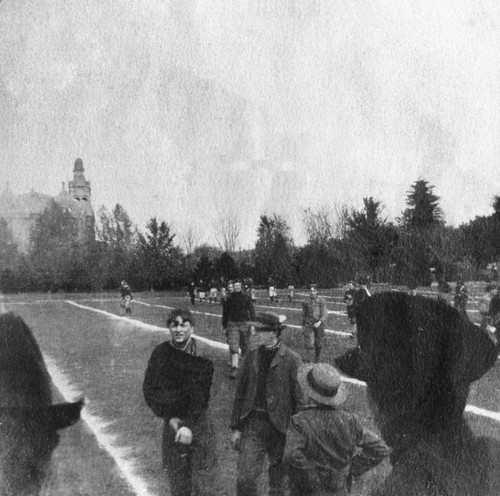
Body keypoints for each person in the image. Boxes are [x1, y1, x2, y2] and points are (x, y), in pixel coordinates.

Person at [142, 308, 221, 496]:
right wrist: (169, 417)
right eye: (174, 324)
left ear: (192, 328)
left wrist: (188, 425)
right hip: (172, 424)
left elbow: (201, 395)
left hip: (198, 422)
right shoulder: (160, 353)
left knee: (204, 481)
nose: (178, 329)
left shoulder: (202, 353)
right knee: (177, 481)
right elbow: (150, 390)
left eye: (183, 325)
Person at [284, 363, 391, 496]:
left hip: (306, 491)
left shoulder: (300, 421)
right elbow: (381, 449)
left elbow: (291, 455)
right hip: (339, 489)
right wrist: (352, 468)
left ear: (310, 393)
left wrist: (311, 476)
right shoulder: (350, 421)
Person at [230, 312, 303, 496]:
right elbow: (240, 393)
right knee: (245, 478)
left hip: (281, 427)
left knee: (278, 483)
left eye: (260, 330)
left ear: (273, 333)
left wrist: (298, 433)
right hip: (254, 424)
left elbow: (300, 400)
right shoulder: (251, 356)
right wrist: (236, 427)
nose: (255, 334)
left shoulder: (293, 359)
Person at [222, 279, 256, 378]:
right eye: (235, 285)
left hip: (245, 324)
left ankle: (246, 367)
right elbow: (225, 313)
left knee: (245, 346)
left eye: (238, 285)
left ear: (241, 286)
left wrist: (253, 323)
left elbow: (251, 310)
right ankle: (234, 367)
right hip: (233, 324)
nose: (237, 287)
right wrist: (224, 325)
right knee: (234, 346)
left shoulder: (246, 297)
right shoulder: (229, 298)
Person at [302, 284, 329, 363]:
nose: (312, 293)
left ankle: (317, 357)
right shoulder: (305, 302)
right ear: (308, 292)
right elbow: (304, 314)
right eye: (311, 291)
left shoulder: (321, 301)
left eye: (314, 291)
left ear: (317, 291)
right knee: (309, 342)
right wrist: (303, 325)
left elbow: (325, 313)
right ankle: (308, 359)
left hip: (319, 323)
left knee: (318, 343)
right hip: (309, 323)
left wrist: (319, 322)